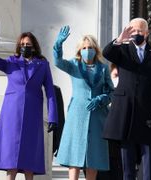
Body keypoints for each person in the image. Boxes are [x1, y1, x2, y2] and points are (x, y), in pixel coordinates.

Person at [0, 18, 58, 180]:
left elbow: (51, 91)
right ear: (19, 46)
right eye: (23, 44)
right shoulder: (11, 62)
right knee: (10, 157)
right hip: (12, 113)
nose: (25, 47)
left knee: (29, 157)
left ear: (34, 47)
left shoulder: (42, 65)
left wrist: (53, 116)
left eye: (28, 44)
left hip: (33, 113)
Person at [102, 17, 151, 180]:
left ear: (146, 33)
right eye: (133, 30)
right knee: (127, 165)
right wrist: (119, 40)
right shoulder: (122, 51)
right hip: (126, 113)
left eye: (139, 31)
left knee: (148, 165)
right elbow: (106, 53)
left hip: (148, 114)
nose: (136, 34)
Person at [53, 26, 114, 180]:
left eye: (91, 47)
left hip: (97, 116)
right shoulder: (74, 65)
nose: (88, 50)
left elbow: (112, 92)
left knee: (93, 158)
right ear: (80, 50)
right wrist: (58, 45)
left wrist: (102, 99)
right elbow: (58, 62)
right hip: (77, 115)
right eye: (84, 48)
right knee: (74, 158)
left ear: (96, 49)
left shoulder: (103, 68)